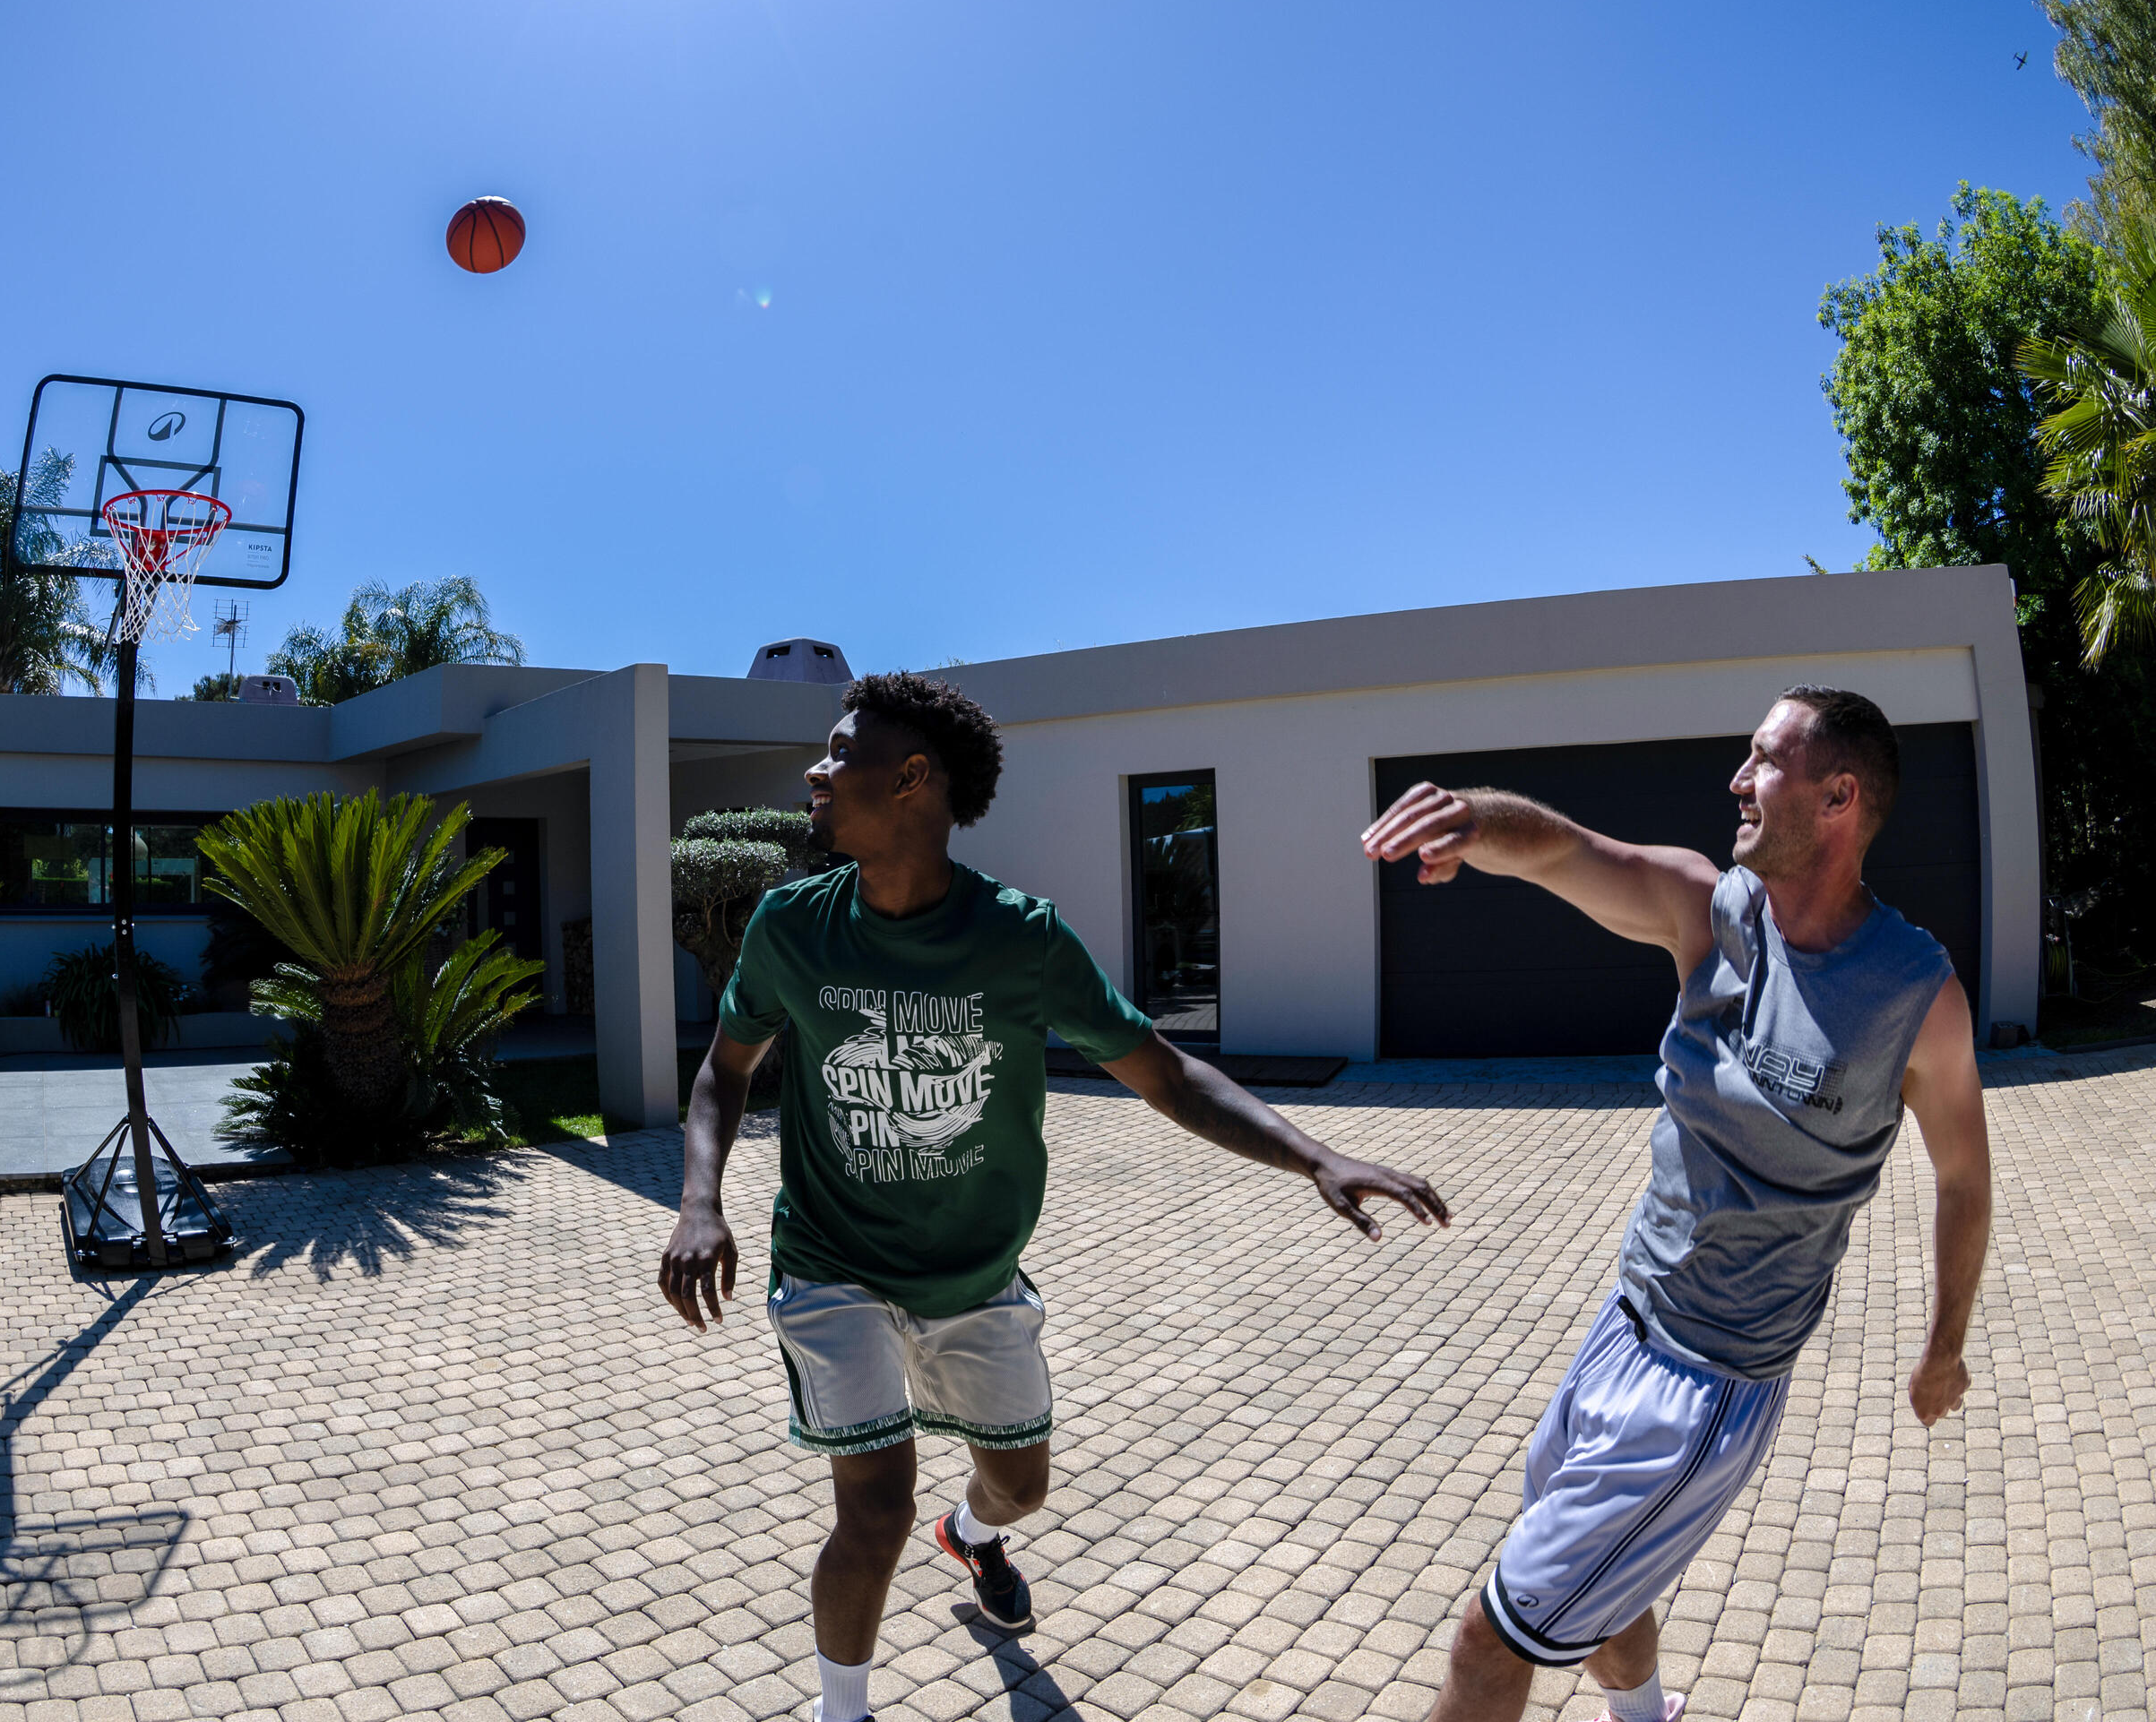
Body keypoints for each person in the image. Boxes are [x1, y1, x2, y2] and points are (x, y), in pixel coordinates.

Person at [660, 671, 1451, 1722]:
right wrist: (699, 1198)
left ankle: (974, 1534)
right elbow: (725, 1067)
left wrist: (1314, 1156)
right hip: (830, 1260)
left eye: (840, 751)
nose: (817, 766)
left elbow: (1165, 1071)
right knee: (873, 1507)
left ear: (910, 777)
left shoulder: (1019, 939)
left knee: (1022, 1486)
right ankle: (838, 1711)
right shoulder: (791, 927)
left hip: (974, 1273)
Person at [1358, 685, 1993, 1722]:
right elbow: (1568, 850)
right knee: (1602, 1591)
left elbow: (1965, 1178)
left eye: (1761, 759)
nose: (1735, 779)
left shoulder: (1916, 994)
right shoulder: (1714, 910)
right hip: (1623, 1320)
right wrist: (1473, 822)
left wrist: (1944, 1345)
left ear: (1838, 796)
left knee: (1489, 1642)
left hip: (1708, 1389)